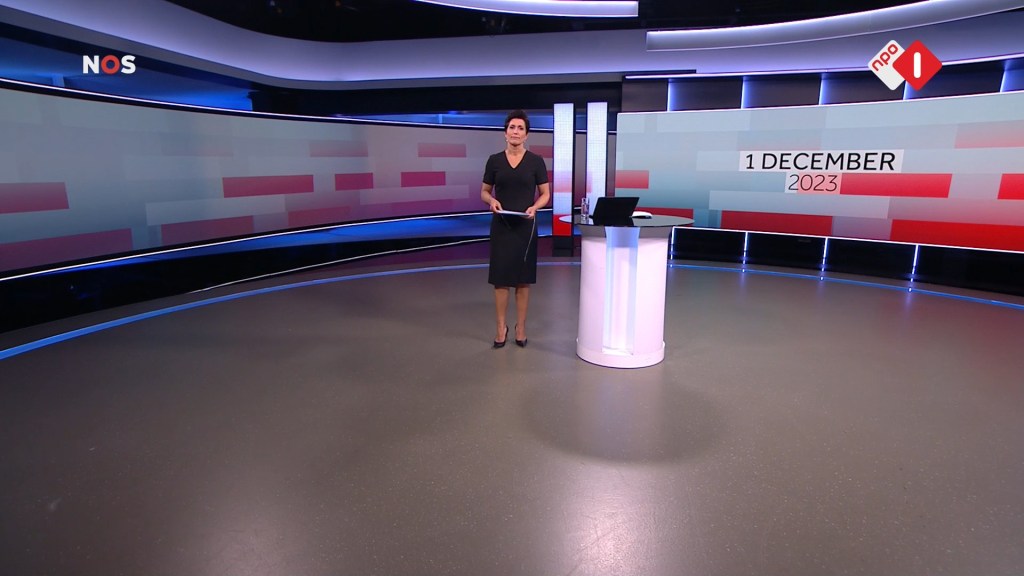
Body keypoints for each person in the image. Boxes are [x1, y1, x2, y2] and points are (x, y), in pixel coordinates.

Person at [480, 109, 551, 348]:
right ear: (505, 132)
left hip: (525, 226)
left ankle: (521, 327)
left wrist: (535, 207)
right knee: (500, 280)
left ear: (526, 135)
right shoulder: (494, 161)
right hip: (502, 225)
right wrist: (491, 201)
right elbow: (484, 191)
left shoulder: (536, 161)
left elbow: (545, 194)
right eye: (512, 127)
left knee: (522, 280)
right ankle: (501, 327)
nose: (516, 132)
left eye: (521, 128)